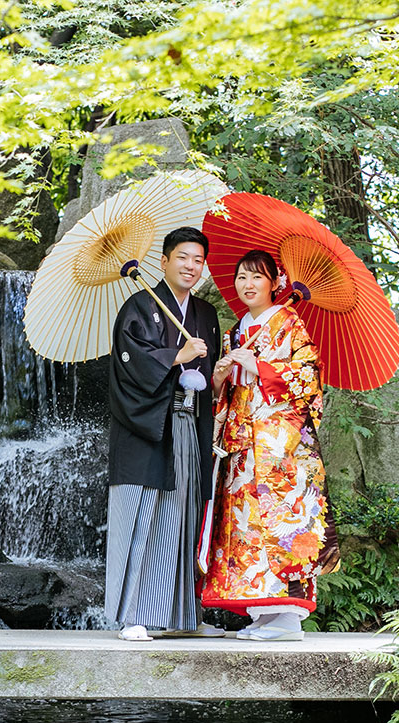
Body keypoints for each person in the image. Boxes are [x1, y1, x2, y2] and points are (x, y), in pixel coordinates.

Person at [200, 249, 338, 642]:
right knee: (246, 529)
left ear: (275, 283)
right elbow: (223, 394)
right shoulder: (236, 330)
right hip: (241, 444)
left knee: (280, 524)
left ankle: (287, 619)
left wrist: (259, 367)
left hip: (279, 448)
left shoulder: (289, 322)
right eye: (241, 277)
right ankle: (263, 614)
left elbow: (307, 379)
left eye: (257, 277)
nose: (247, 284)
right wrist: (221, 376)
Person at [105, 226, 224, 642]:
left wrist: (218, 372)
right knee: (142, 517)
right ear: (164, 261)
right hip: (148, 428)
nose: (191, 266)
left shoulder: (206, 316)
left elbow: (207, 378)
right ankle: (130, 616)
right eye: (183, 258)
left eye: (198, 260)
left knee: (185, 517)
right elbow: (128, 368)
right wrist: (176, 355)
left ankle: (183, 617)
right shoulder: (137, 307)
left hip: (190, 427)